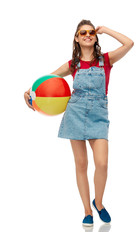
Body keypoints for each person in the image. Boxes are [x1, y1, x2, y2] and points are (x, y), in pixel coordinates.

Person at [24, 20, 134, 227]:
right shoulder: (72, 64)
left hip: (98, 115)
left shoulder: (106, 60)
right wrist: (28, 92)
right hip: (75, 113)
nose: (87, 34)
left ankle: (98, 204)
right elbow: (47, 78)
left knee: (102, 163)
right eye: (82, 32)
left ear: (95, 36)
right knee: (81, 165)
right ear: (76, 37)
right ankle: (86, 211)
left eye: (91, 32)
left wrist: (106, 30)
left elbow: (129, 43)